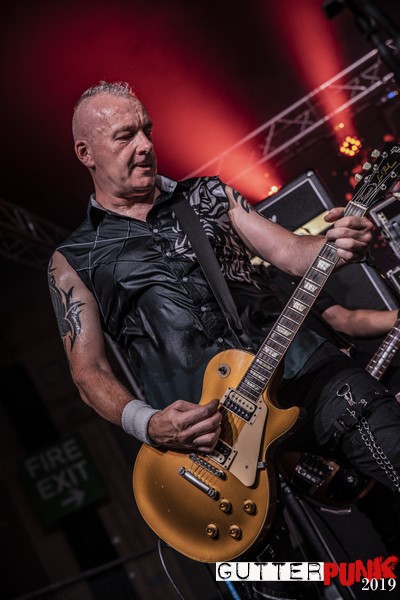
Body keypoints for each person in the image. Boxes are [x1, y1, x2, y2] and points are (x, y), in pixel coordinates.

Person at [48, 81, 400, 600]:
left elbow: (294, 254)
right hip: (209, 438)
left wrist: (341, 241)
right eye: (125, 136)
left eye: (147, 131)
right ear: (86, 152)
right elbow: (88, 372)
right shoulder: (74, 258)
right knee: (279, 585)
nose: (144, 145)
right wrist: (150, 424)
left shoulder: (208, 195)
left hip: (303, 374)